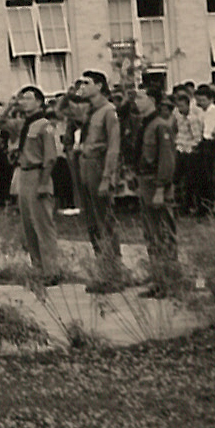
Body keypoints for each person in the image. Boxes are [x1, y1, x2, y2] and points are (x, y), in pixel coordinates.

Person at [72, 71, 126, 291]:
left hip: (98, 165)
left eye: (87, 83)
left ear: (100, 86)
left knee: (105, 221)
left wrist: (107, 177)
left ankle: (114, 272)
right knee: (92, 222)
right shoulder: (90, 111)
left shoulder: (108, 112)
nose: (82, 86)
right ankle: (102, 269)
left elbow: (113, 146)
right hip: (85, 164)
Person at [12, 85, 63, 282]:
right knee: (29, 226)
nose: (23, 102)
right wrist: (10, 105)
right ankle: (38, 268)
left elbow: (50, 157)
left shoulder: (44, 125)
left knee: (43, 225)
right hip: (24, 175)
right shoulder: (24, 124)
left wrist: (43, 183)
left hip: (38, 174)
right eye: (22, 98)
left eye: (28, 98)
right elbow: (0, 122)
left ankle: (51, 270)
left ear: (39, 102)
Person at [136, 94, 182, 295]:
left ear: (152, 101)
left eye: (140, 97)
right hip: (145, 182)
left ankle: (170, 281)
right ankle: (158, 280)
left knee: (164, 232)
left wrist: (161, 188)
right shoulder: (145, 124)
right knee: (151, 234)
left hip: (156, 183)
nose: (136, 101)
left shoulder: (160, 125)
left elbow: (167, 159)